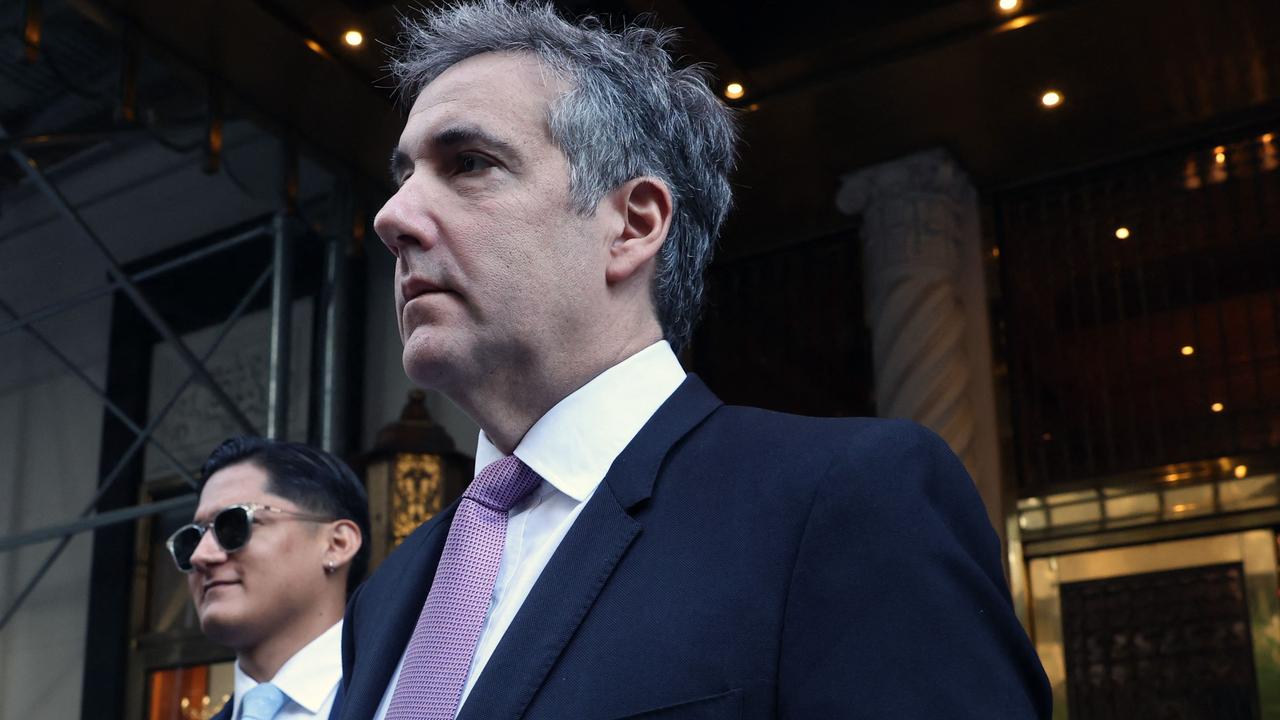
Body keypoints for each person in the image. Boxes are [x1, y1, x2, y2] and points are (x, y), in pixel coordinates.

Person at [338, 2, 1051, 718]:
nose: (393, 217)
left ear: (633, 224)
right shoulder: (387, 597)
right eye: (404, 175)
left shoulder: (845, 500)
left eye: (468, 164)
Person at [168, 436, 369, 720]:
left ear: (337, 543)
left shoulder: (407, 697)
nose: (200, 556)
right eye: (191, 540)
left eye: (235, 525)